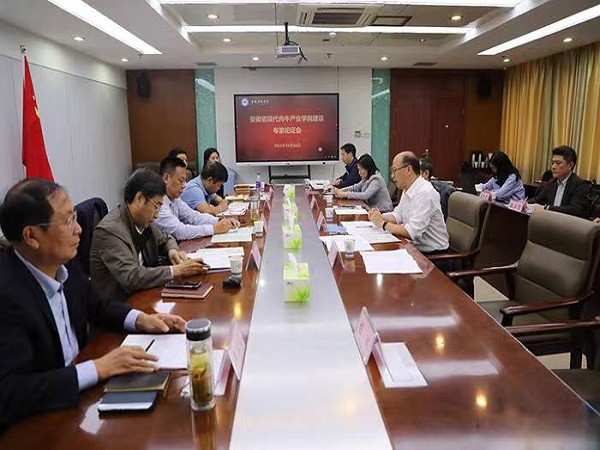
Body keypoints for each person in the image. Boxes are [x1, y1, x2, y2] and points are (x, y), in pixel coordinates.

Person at [0, 178, 186, 430]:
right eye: (68, 221)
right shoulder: (8, 296)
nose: (79, 229)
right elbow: (11, 392)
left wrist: (141, 319)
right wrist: (99, 368)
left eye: (75, 216)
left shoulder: (63, 263)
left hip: (81, 400)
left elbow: (98, 305)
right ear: (32, 236)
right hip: (41, 423)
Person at [90, 169, 208, 302]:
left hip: (143, 294)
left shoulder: (142, 221)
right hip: (119, 305)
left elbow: (166, 238)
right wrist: (175, 271)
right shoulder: (111, 231)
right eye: (156, 206)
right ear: (140, 198)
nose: (157, 214)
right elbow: (131, 277)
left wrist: (173, 251)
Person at [368, 151, 449, 257]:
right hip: (415, 248)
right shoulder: (407, 189)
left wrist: (383, 224)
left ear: (408, 169)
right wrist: (379, 216)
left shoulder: (425, 192)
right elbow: (398, 216)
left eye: (395, 170)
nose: (392, 176)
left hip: (433, 256)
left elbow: (412, 232)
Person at [154, 156, 239, 240]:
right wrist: (214, 228)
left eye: (184, 181)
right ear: (166, 178)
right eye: (181, 181)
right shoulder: (158, 204)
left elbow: (193, 216)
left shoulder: (175, 198)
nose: (184, 186)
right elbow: (180, 232)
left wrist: (220, 220)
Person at [530, 146, 590, 217]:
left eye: (558, 163)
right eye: (552, 163)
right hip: (550, 220)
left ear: (570, 165)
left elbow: (574, 209)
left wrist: (547, 208)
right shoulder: (552, 182)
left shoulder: (580, 185)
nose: (553, 167)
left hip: (566, 222)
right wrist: (523, 203)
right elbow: (538, 199)